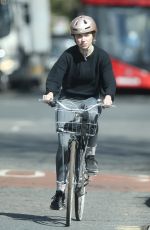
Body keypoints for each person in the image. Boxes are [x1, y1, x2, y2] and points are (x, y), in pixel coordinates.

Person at [43, 15, 116, 210]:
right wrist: (50, 92)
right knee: (63, 143)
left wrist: (108, 95)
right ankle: (60, 191)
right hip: (68, 99)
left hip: (89, 99)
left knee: (92, 117)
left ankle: (90, 155)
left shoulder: (101, 56)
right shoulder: (68, 55)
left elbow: (109, 80)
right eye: (77, 36)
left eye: (85, 35)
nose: (81, 39)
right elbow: (55, 75)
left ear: (93, 35)